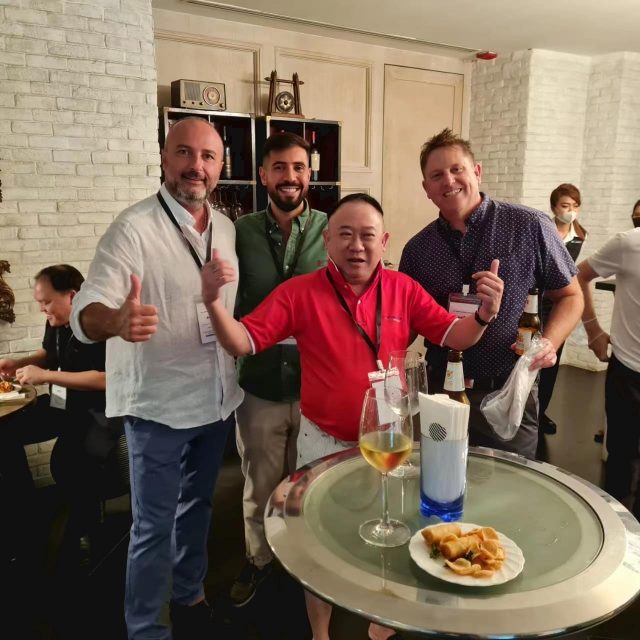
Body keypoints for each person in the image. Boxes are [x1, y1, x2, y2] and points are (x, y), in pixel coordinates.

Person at [201, 192, 504, 640]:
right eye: (345, 234)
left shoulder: (403, 289)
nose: (356, 246)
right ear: (327, 240)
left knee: (392, 532)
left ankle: (381, 626)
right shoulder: (300, 292)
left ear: (384, 241)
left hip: (389, 438)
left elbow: (454, 334)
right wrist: (212, 303)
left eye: (367, 236)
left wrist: (483, 315)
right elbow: (242, 341)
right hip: (322, 441)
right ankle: (320, 632)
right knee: (318, 543)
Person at [69, 117, 243, 640]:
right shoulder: (133, 227)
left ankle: (189, 592)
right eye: (184, 153)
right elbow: (85, 308)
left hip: (216, 398)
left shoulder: (226, 228)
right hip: (158, 407)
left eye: (208, 156)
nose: (196, 166)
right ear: (164, 158)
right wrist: (115, 321)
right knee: (152, 526)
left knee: (199, 506)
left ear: (220, 166)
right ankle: (146, 628)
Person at [399, 129, 583, 459]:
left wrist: (549, 343)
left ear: (477, 172)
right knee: (440, 478)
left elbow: (571, 296)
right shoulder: (417, 250)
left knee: (509, 484)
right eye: (437, 175)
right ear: (426, 188)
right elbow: (406, 325)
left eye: (457, 169)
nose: (449, 180)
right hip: (442, 392)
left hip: (508, 389)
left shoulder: (529, 225)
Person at [230, 132, 328, 606]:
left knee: (309, 486)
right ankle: (259, 561)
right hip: (260, 384)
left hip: (318, 386)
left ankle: (306, 565)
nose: (290, 177)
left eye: (299, 167)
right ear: (263, 174)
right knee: (260, 485)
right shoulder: (237, 232)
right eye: (280, 167)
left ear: (310, 173)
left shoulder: (332, 228)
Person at [0, 264, 119, 567]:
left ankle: (85, 531)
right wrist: (18, 363)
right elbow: (49, 355)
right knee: (6, 432)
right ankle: (25, 514)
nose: (42, 309)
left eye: (46, 302)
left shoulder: (98, 323)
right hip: (62, 404)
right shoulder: (55, 320)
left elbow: (106, 379)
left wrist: (47, 376)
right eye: (39, 302)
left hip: (98, 411)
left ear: (72, 296)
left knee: (70, 464)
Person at [577, 221, 640, 519]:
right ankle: (619, 534)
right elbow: (578, 275)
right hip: (629, 372)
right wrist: (592, 330)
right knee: (621, 464)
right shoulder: (629, 244)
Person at [538, 183, 588, 435]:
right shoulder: (544, 231)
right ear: (554, 207)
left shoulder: (580, 234)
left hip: (562, 302)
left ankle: (542, 410)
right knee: (532, 355)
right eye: (565, 206)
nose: (570, 211)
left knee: (552, 358)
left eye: (574, 206)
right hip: (539, 301)